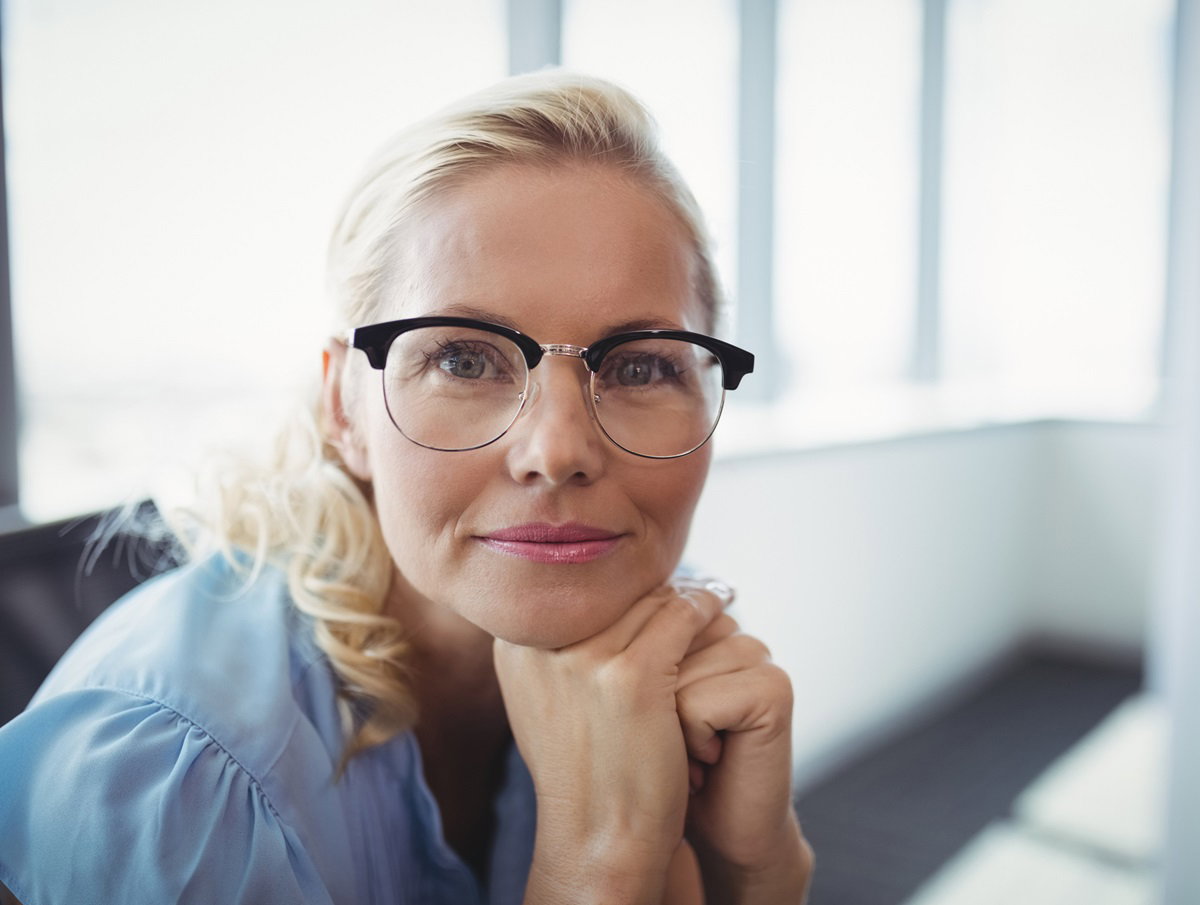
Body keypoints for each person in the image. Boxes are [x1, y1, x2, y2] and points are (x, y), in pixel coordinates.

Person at [0, 70, 813, 904]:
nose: (559, 450)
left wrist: (755, 868)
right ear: (342, 408)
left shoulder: (649, 659)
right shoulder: (173, 775)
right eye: (464, 359)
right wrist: (595, 868)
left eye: (641, 365)